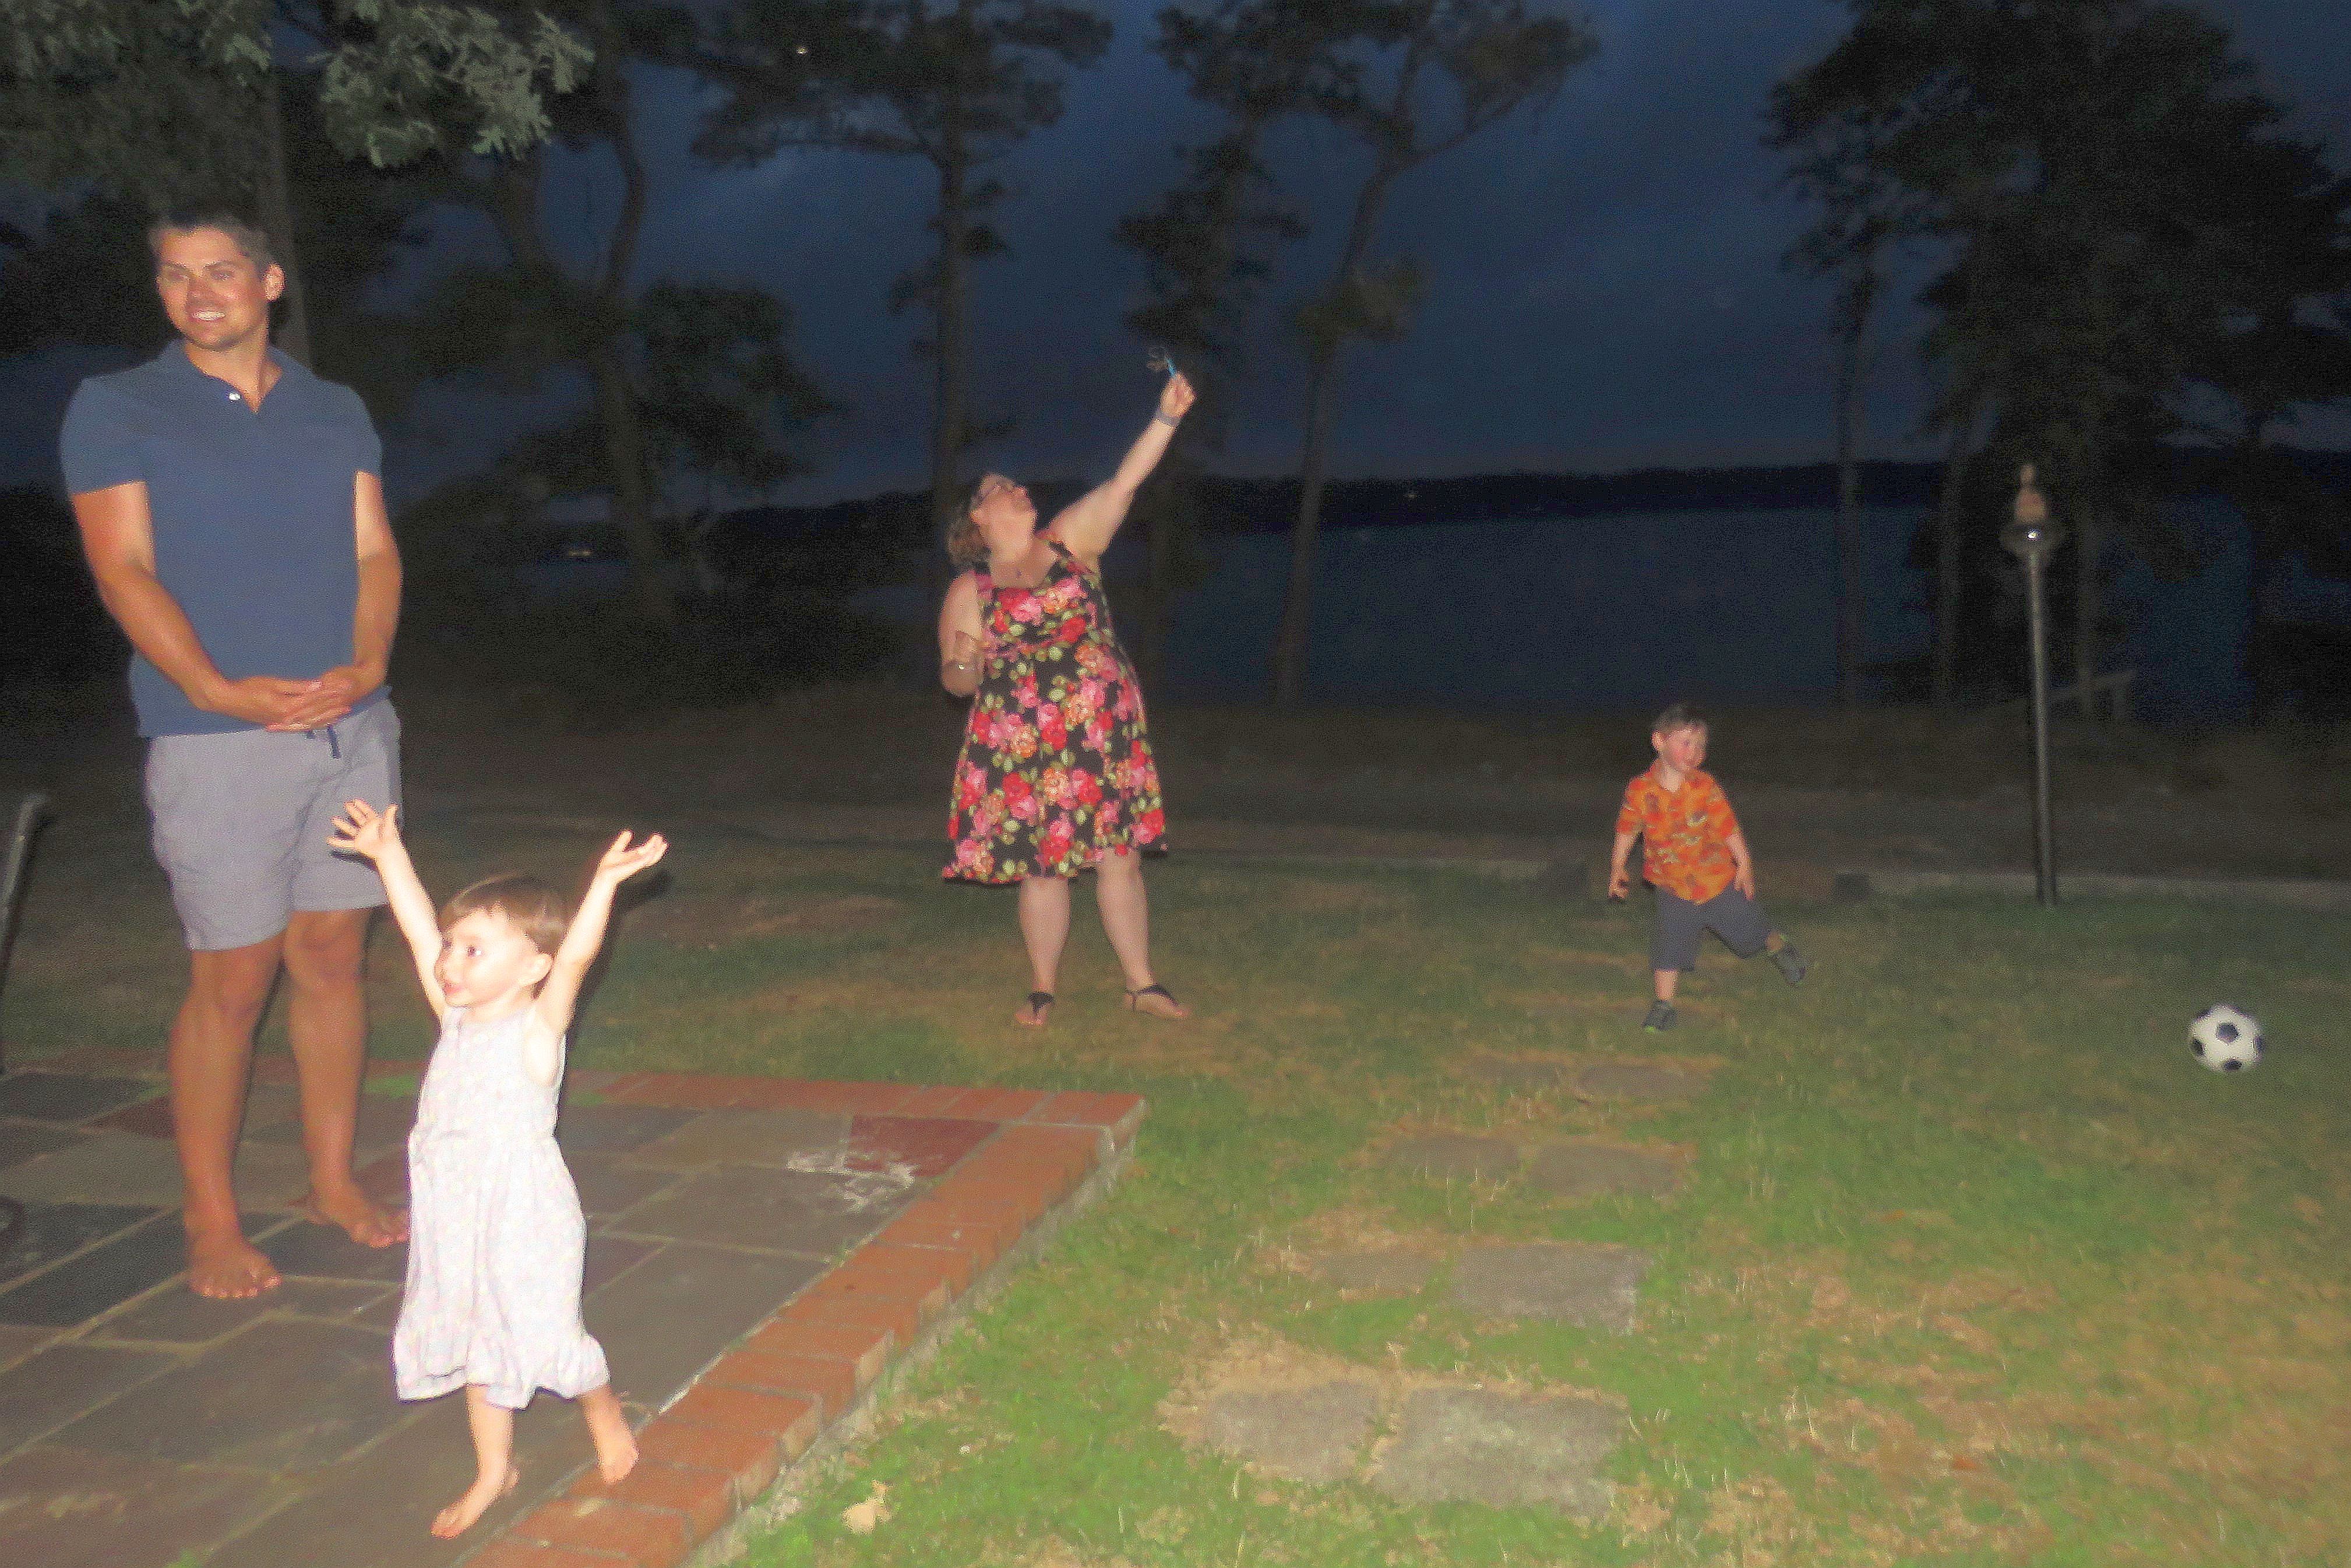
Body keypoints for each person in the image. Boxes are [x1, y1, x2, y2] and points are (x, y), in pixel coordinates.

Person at [61, 209, 406, 1298]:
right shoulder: (117, 404)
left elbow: (374, 550)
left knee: (334, 956)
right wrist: (212, 687)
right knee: (233, 975)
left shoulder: (334, 406)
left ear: (269, 282)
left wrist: (366, 663)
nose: (197, 292)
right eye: (175, 275)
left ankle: (331, 1180)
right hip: (216, 738)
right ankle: (209, 1218)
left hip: (352, 726)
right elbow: (122, 568)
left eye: (219, 271)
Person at [326, 799, 661, 1538]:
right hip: (453, 1209)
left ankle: (602, 1408)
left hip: (523, 1212)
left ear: (533, 967)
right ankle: (492, 1472)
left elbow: (576, 959)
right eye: (454, 948)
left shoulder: (538, 1031)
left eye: (474, 950)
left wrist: (604, 884)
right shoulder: (455, 1020)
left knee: (543, 1326)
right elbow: (417, 929)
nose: (450, 961)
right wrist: (388, 856)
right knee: (477, 1335)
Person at [936, 370, 1196, 1026]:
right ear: (978, 516)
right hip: (1025, 738)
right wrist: (966, 662)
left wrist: (1165, 418)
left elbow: (1124, 483)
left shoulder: (1070, 542)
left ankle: (1141, 983)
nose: (1019, 489)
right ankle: (1043, 988)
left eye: (1018, 484)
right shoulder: (970, 589)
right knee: (1044, 866)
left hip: (1102, 727)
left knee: (1119, 856)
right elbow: (956, 681)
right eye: (1002, 488)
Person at [1607, 703, 1807, 1031]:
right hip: (1672, 887)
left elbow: (1728, 826)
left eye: (1700, 746)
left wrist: (1744, 861)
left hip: (1717, 882)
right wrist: (1618, 866)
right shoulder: (1639, 790)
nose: (1695, 752)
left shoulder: (1705, 786)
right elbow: (1627, 829)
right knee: (1669, 946)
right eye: (1686, 743)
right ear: (1659, 741)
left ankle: (1779, 946)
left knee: (1751, 933)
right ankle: (1664, 1005)